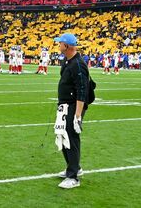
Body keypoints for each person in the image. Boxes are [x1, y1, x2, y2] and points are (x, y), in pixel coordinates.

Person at [54, 33, 89, 189]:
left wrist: (78, 115)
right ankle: (73, 167)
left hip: (73, 107)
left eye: (60, 43)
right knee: (63, 135)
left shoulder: (78, 64)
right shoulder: (68, 61)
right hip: (65, 106)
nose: (58, 45)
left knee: (71, 138)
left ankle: (73, 176)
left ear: (67, 46)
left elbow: (82, 90)